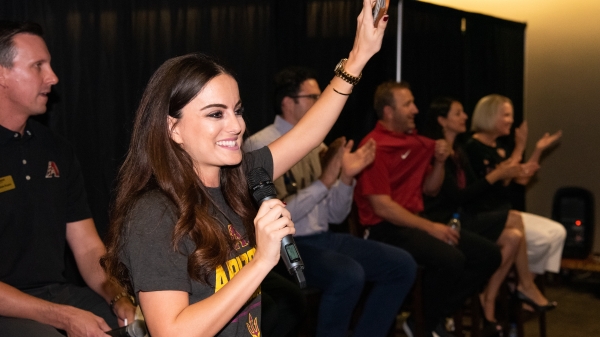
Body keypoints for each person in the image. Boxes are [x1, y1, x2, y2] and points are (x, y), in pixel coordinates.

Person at [101, 2, 390, 336]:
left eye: (236, 110)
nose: (236, 125)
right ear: (173, 128)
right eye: (215, 114)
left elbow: (309, 135)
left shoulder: (237, 174)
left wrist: (358, 56)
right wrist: (261, 262)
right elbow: (173, 332)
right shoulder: (153, 214)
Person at [245, 66, 417, 337]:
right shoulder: (260, 147)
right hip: (287, 246)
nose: (320, 104)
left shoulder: (319, 144)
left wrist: (346, 178)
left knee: (402, 264)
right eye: (313, 98)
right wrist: (323, 182)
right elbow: (276, 215)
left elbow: (336, 216)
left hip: (323, 238)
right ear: (288, 103)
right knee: (349, 275)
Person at [0, 21, 136, 337]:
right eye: (38, 66)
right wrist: (62, 317)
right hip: (9, 307)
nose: (53, 77)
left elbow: (88, 247)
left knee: (137, 328)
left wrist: (117, 296)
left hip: (55, 294)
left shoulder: (56, 149)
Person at [354, 81, 502, 337]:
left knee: (489, 255)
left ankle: (427, 317)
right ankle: (425, 325)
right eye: (408, 104)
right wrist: (431, 227)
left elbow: (431, 189)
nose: (415, 110)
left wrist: (441, 162)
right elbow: (382, 207)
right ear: (388, 111)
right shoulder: (373, 146)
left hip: (413, 223)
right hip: (385, 229)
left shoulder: (416, 143)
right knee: (451, 259)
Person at [421, 97, 557, 335]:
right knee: (514, 220)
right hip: (452, 219)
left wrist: (529, 152)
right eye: (458, 113)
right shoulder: (445, 150)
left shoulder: (459, 151)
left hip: (468, 215)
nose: (465, 117)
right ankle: (523, 285)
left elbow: (493, 183)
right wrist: (499, 173)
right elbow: (459, 196)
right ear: (442, 121)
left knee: (513, 237)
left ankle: (490, 300)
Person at [463, 95, 565, 300]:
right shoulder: (472, 148)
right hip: (487, 216)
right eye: (506, 115)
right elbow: (506, 176)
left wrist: (537, 150)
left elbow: (521, 178)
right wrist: (520, 148)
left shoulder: (499, 147)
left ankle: (519, 284)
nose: (510, 120)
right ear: (490, 116)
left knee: (557, 232)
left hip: (505, 212)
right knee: (541, 240)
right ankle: (520, 285)